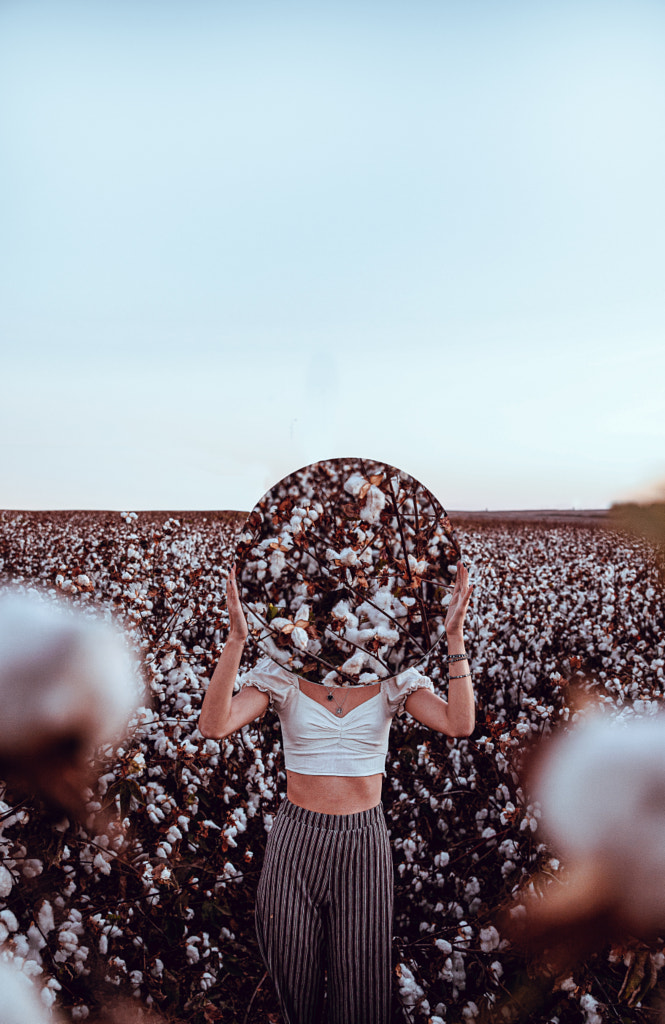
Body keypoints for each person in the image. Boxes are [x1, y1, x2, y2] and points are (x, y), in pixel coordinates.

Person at [198, 562, 474, 1024]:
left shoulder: (392, 679)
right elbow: (214, 725)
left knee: (361, 991)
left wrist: (454, 638)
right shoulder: (282, 677)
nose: (344, 633)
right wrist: (236, 642)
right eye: (334, 623)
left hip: (364, 843)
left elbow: (459, 723)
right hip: (295, 842)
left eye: (356, 622)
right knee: (294, 982)